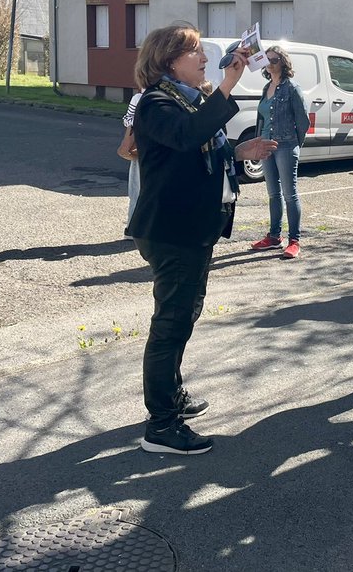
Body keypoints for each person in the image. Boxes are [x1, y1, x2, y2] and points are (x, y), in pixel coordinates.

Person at [128, 23, 277, 455]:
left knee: (183, 317)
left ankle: (171, 395)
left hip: (192, 227)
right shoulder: (155, 102)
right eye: (196, 53)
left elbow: (196, 149)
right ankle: (161, 426)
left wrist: (237, 151)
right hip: (171, 230)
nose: (206, 60)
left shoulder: (183, 101)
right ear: (170, 59)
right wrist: (229, 84)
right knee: (170, 326)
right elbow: (186, 137)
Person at [250, 45, 308, 259]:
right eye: (267, 60)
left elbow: (303, 119)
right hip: (266, 144)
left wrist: (295, 145)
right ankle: (274, 236)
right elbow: (261, 118)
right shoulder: (266, 88)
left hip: (285, 144)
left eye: (274, 60)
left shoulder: (292, 87)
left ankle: (294, 240)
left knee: (289, 194)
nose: (270, 63)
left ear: (283, 62)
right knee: (273, 193)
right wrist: (258, 142)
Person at [119, 90, 143, 233]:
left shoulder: (140, 97)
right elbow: (127, 119)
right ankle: (133, 227)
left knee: (138, 188)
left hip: (145, 148)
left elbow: (127, 120)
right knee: (137, 187)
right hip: (142, 148)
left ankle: (134, 227)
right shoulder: (138, 98)